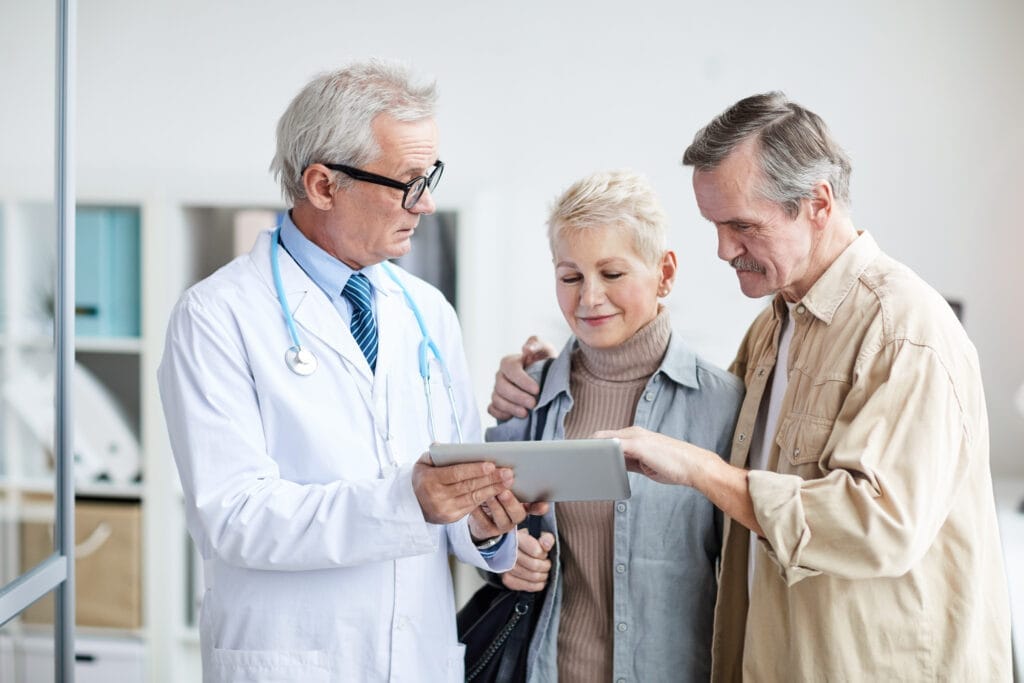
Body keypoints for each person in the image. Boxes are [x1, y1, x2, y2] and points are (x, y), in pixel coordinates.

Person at [489, 93, 1012, 681]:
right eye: (716, 226)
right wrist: (552, 370)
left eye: (743, 226)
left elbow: (881, 526)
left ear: (817, 204)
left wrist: (701, 470)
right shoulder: (772, 329)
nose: (723, 250)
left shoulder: (903, 329)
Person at [158, 60, 543, 682]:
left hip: (416, 658)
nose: (428, 202)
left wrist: (485, 529)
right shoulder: (215, 316)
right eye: (409, 182)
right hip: (291, 658)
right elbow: (234, 517)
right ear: (323, 185)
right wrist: (408, 499)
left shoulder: (426, 311)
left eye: (431, 177)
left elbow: (452, 490)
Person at [487, 169, 743, 682]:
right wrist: (499, 557)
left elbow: (745, 577)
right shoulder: (526, 398)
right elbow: (482, 530)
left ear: (665, 272)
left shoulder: (723, 406)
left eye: (613, 274)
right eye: (571, 276)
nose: (589, 298)